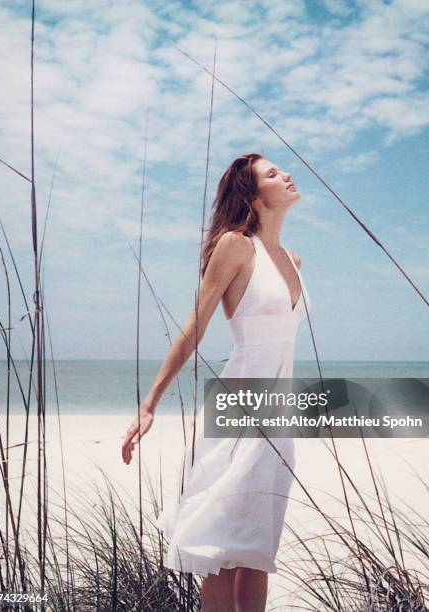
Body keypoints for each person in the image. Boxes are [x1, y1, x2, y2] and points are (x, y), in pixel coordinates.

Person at [121, 152, 310, 611]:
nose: (285, 175)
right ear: (252, 194)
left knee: (257, 554)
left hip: (278, 419)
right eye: (271, 173)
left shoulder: (292, 257)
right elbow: (196, 325)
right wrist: (150, 403)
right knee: (224, 550)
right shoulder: (235, 246)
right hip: (239, 412)